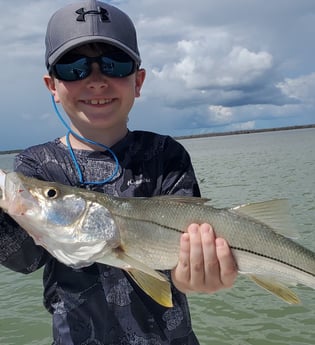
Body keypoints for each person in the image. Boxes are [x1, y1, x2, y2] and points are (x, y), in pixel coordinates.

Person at [0, 1, 237, 344]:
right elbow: (25, 259)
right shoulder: (37, 165)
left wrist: (198, 276)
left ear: (138, 81)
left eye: (114, 65)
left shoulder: (166, 155)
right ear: (52, 85)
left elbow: (178, 268)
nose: (96, 81)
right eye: (73, 67)